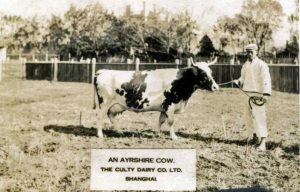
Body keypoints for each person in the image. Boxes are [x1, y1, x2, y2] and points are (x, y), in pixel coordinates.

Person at [233, 44, 271, 151]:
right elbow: (242, 77)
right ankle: (253, 138)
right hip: (247, 93)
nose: (249, 54)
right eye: (248, 52)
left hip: (258, 94)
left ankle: (263, 142)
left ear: (256, 52)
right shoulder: (245, 65)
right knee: (248, 117)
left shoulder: (262, 65)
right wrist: (238, 81)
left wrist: (266, 94)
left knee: (260, 117)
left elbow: (266, 79)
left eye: (251, 52)